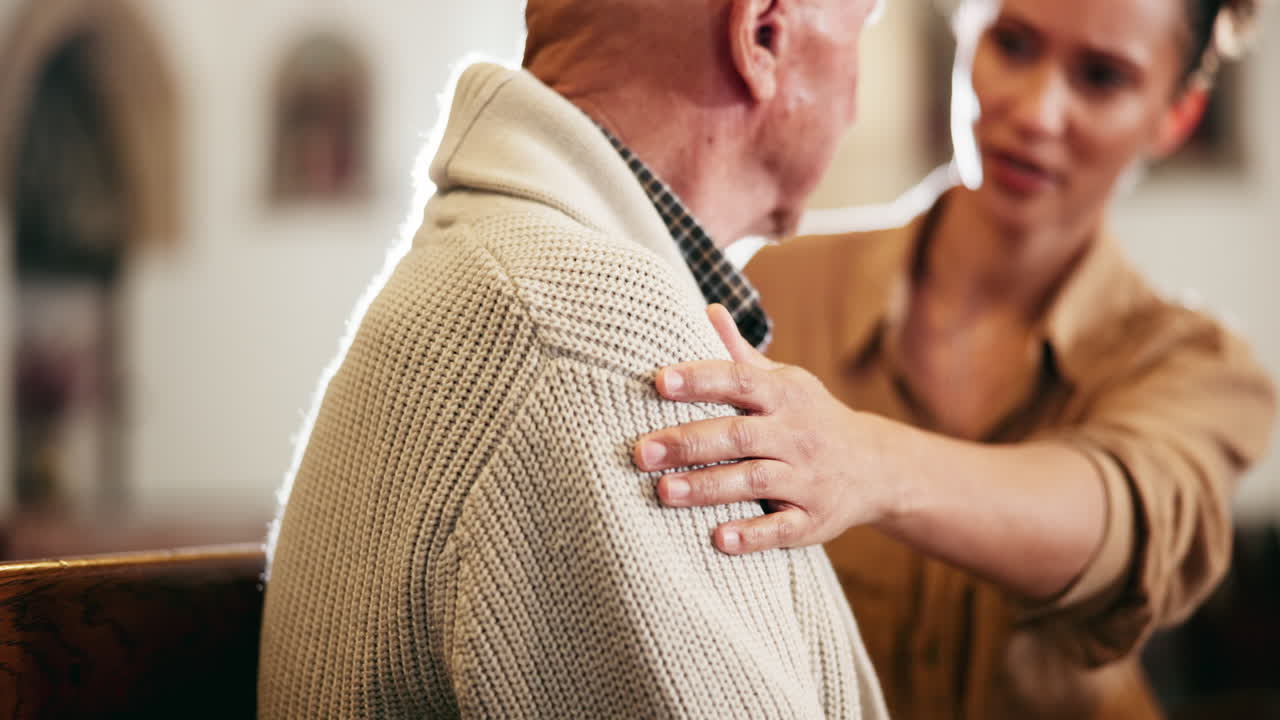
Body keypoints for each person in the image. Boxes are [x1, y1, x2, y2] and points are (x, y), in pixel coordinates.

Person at [633, 0, 1276, 717]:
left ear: (1176, 116)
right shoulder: (759, 293)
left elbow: (1133, 520)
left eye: (1100, 77)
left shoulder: (1198, 370)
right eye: (1013, 43)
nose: (1036, 111)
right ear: (965, 27)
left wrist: (863, 459)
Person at [258, 0, 891, 717]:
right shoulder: (586, 338)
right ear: (763, 36)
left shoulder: (514, 276)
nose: (858, 98)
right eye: (864, 26)